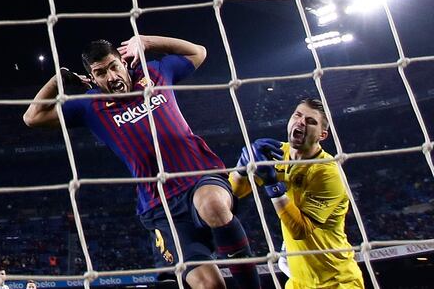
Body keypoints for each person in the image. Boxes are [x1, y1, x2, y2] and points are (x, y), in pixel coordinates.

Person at [23, 36, 260, 289]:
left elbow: (199, 52)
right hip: (159, 206)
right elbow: (32, 117)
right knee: (209, 285)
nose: (111, 77)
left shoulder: (155, 73)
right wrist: (60, 79)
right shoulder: (90, 105)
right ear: (92, 79)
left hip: (199, 177)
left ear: (124, 62)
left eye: (114, 66)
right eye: (100, 73)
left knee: (211, 205)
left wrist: (147, 42)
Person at [230, 98, 364, 288]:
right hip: (298, 283)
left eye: (311, 121)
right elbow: (234, 194)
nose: (301, 122)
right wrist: (241, 168)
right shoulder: (277, 153)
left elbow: (300, 230)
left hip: (336, 281)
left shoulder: (326, 172)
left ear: (322, 135)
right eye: (297, 115)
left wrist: (272, 185)